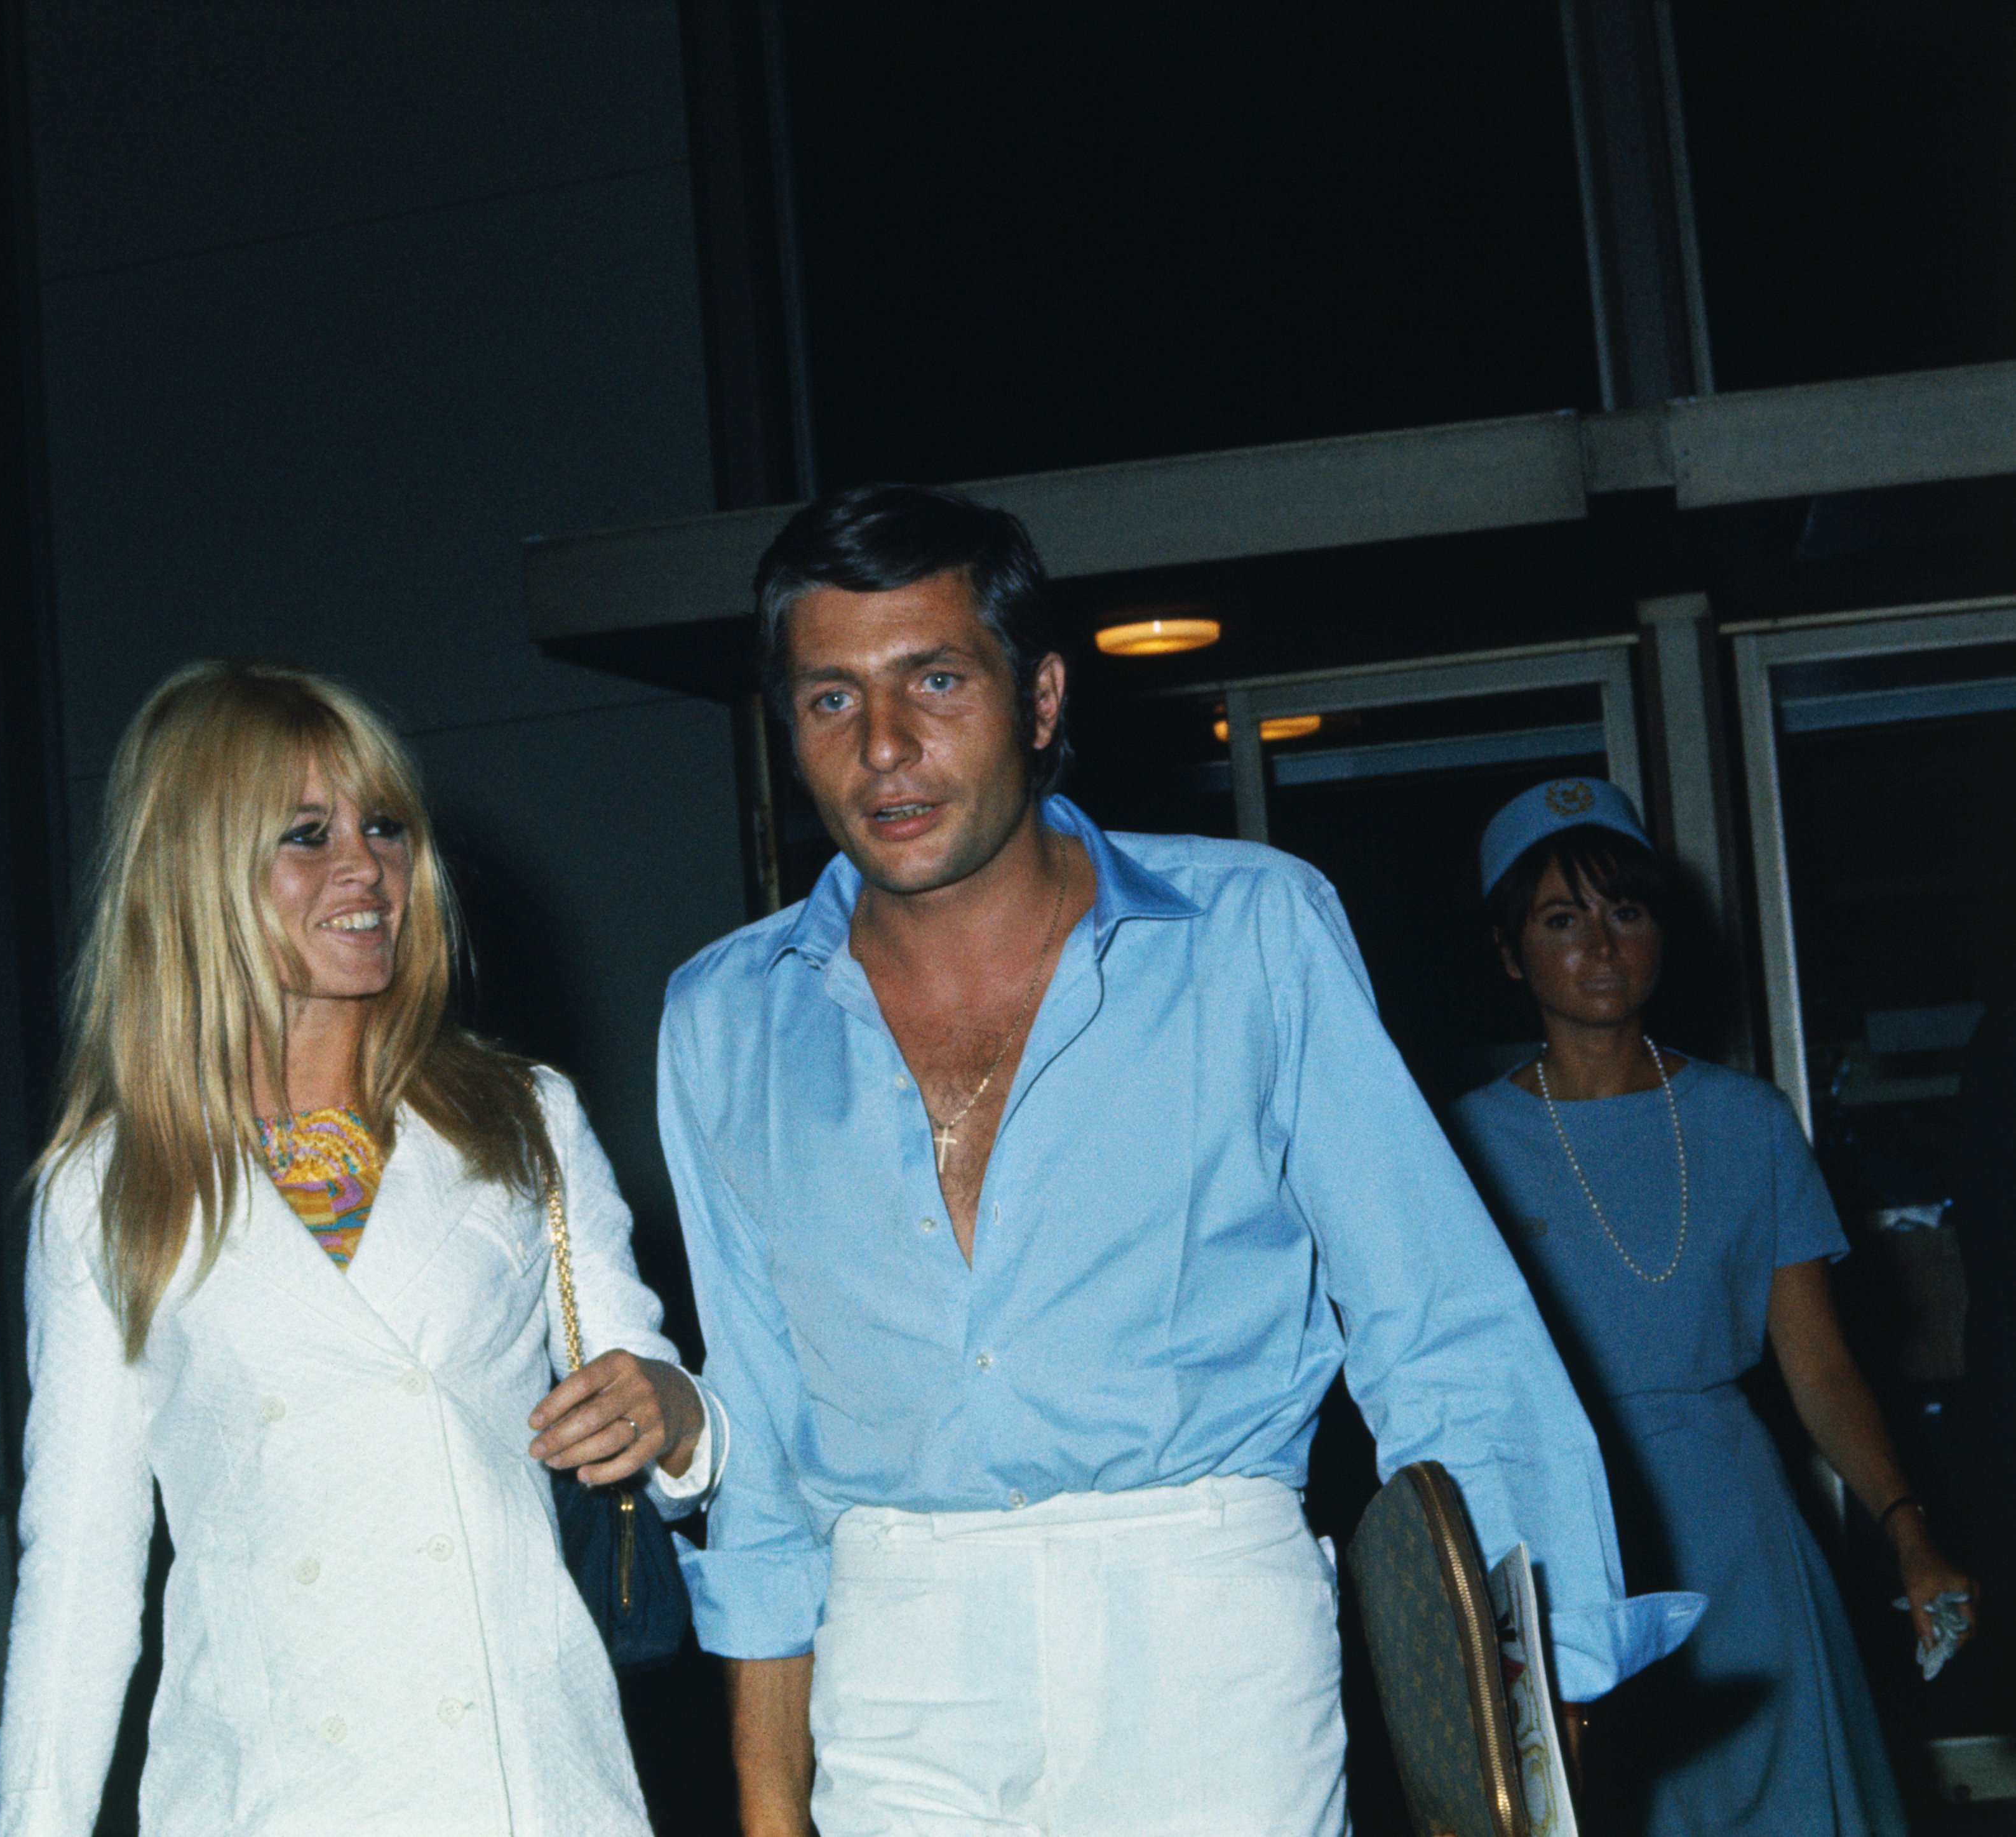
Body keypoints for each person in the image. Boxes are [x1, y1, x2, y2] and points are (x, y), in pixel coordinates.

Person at [659, 483, 1695, 1837]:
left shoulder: (1250, 931)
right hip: (889, 1641)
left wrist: (1527, 1677)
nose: (887, 747)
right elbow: (760, 1440)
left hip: (1207, 1614)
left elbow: (1436, 1321)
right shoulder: (723, 1016)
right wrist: (764, 1804)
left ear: (1037, 702)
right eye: (830, 700)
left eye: (934, 679)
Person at [0, 661, 722, 1837]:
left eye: (384, 826)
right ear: (195, 874)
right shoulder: (108, 1187)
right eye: (306, 834)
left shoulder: (522, 1115)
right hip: (269, 1793)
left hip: (525, 1785)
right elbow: (77, 1572)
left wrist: (676, 1416)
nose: (365, 868)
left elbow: (657, 1394)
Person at [1444, 776, 1972, 1836]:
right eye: (1560, 919)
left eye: (1624, 911)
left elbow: (1818, 1371)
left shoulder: (1745, 1121)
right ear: (1509, 954)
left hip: (1738, 1538)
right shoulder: (1457, 1145)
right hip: (1558, 1548)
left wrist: (1909, 1533)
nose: (1600, 944)